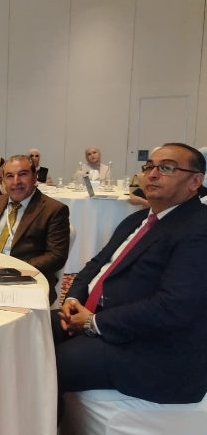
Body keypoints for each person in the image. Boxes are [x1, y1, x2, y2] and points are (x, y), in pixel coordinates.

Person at [53, 143, 207, 419]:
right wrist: (73, 299)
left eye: (167, 168)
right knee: (28, 332)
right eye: (149, 167)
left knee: (42, 365)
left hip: (152, 349)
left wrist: (93, 323)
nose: (152, 174)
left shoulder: (198, 228)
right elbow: (95, 265)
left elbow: (173, 307)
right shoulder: (137, 219)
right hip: (99, 317)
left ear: (195, 181)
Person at [0, 154, 70, 303]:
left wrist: (14, 268)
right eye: (9, 176)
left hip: (24, 279)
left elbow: (57, 256)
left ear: (35, 177)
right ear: (3, 180)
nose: (16, 181)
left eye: (23, 174)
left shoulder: (53, 210)